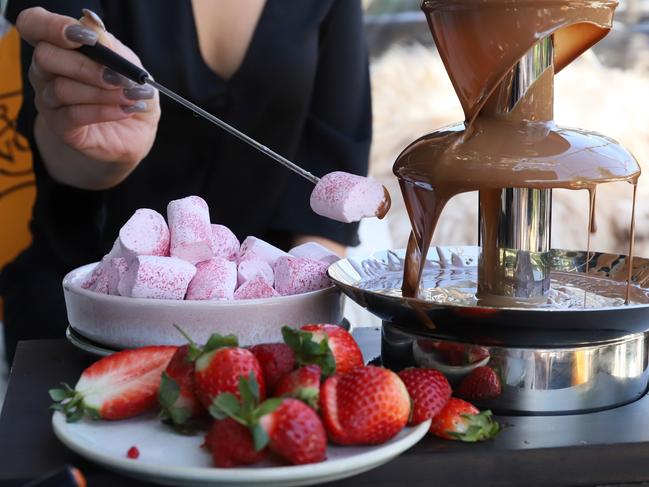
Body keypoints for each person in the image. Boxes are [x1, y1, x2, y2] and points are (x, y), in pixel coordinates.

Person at [0, 0, 371, 363]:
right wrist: (103, 153)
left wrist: (294, 334)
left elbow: (327, 202)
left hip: (269, 330)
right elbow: (59, 157)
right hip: (83, 313)